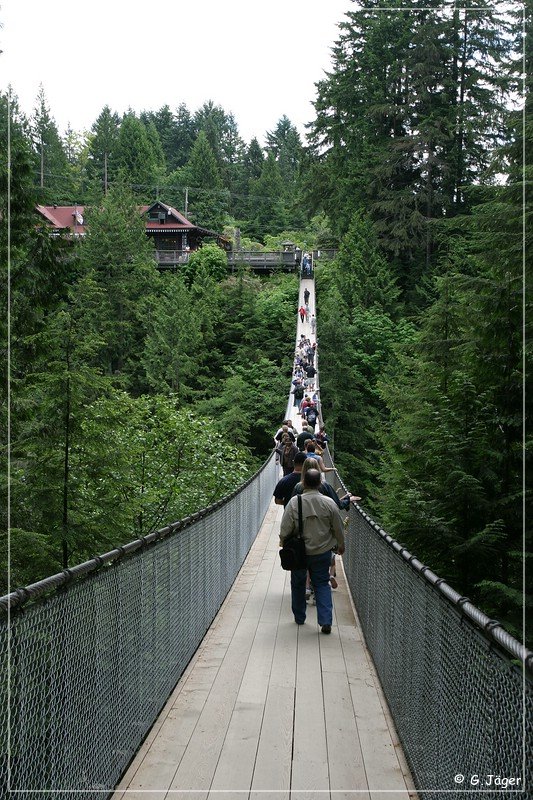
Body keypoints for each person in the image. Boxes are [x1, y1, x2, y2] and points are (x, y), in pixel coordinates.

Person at [280, 468, 345, 633]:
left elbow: (285, 527)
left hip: (299, 553)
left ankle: (300, 617)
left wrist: (282, 541)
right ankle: (325, 621)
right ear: (321, 483)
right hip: (322, 551)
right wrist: (341, 544)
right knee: (322, 583)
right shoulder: (329, 503)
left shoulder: (294, 502)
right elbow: (338, 527)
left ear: (303, 483)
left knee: (298, 583)